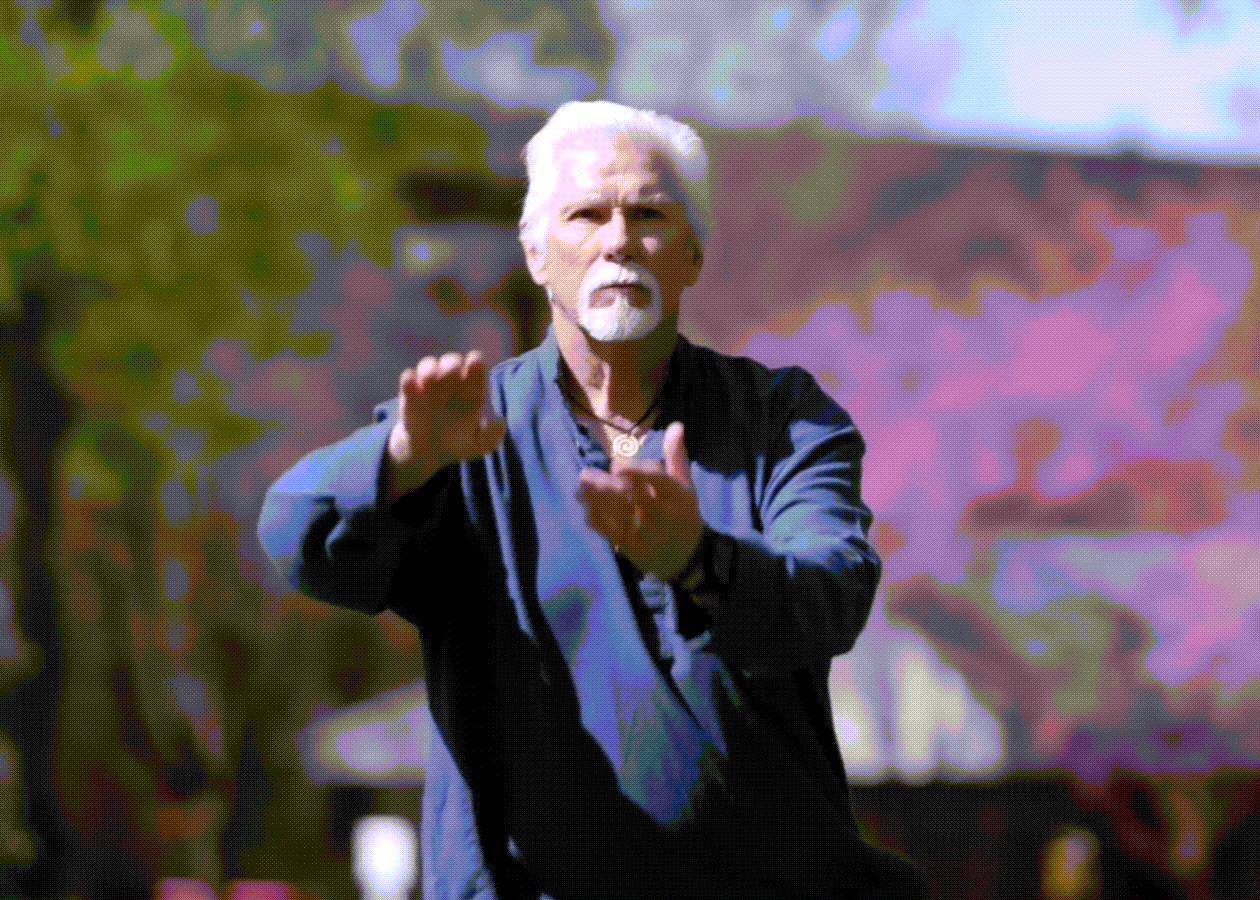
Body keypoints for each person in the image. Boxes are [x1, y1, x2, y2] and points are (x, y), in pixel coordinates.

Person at [257, 100, 924, 900]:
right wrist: (406, 455)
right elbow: (298, 535)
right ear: (537, 254)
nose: (618, 241)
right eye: (586, 215)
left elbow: (832, 593)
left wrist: (699, 559)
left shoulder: (783, 419)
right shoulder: (466, 431)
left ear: (694, 255)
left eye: (649, 214)